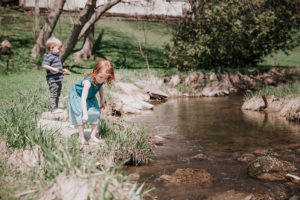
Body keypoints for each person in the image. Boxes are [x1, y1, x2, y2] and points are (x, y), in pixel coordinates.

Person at [68, 60, 115, 145]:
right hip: (79, 96)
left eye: (105, 78)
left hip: (90, 96)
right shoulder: (88, 83)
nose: (102, 80)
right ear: (95, 72)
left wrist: (102, 100)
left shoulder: (101, 80)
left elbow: (100, 88)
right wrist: (85, 113)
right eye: (101, 77)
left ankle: (93, 136)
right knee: (81, 113)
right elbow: (83, 99)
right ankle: (81, 137)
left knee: (96, 113)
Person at [42, 37, 69, 113]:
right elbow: (44, 65)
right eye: (58, 48)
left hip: (58, 79)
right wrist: (53, 69)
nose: (60, 50)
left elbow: (58, 69)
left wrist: (63, 71)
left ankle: (56, 107)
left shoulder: (56, 57)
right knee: (54, 94)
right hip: (53, 80)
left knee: (57, 93)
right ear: (51, 48)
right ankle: (53, 109)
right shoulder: (49, 56)